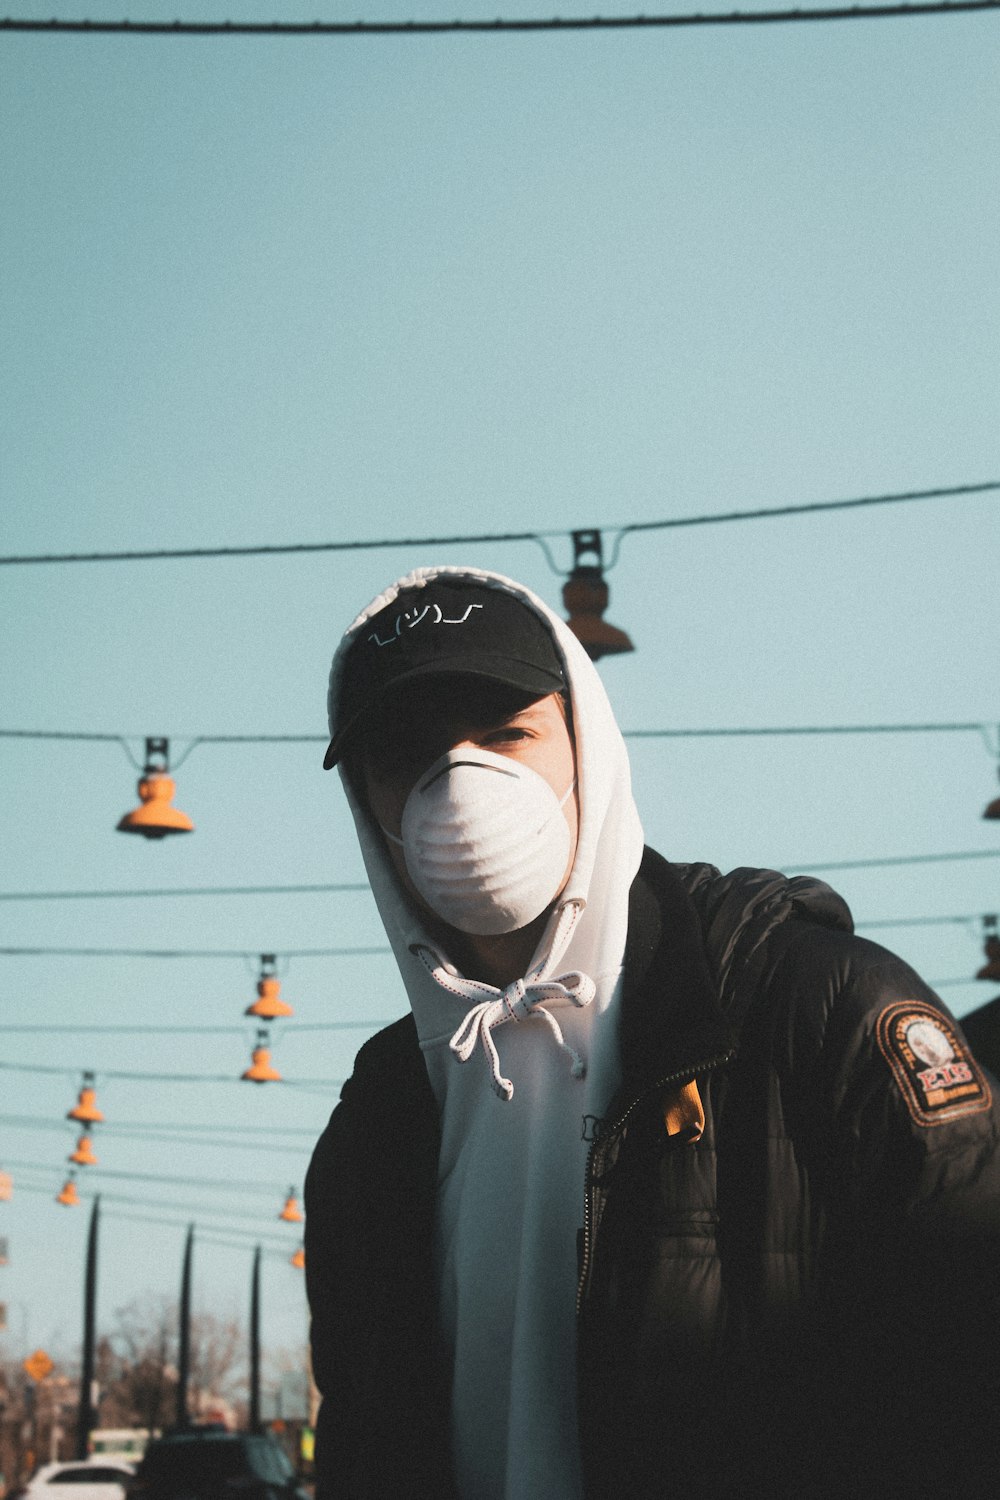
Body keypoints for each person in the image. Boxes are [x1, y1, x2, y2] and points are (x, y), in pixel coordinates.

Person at [305, 565, 1000, 1500]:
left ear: (587, 744)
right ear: (366, 805)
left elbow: (970, 1373)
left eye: (509, 733)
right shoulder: (380, 1121)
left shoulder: (810, 1008)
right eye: (403, 756)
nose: (462, 784)